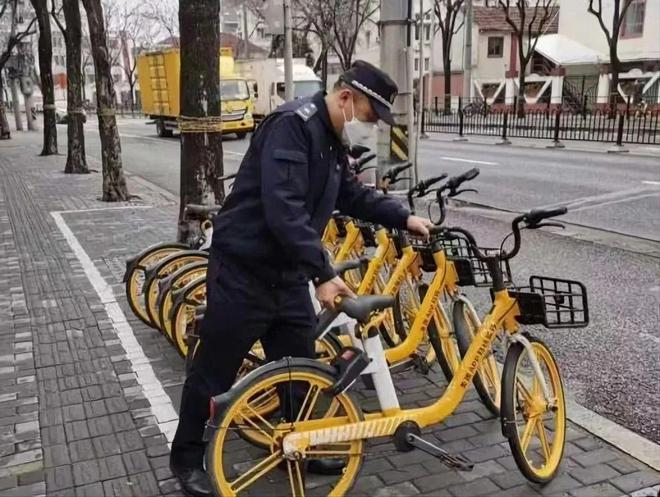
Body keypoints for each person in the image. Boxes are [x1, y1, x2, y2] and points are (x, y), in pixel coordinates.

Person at [169, 60, 433, 497]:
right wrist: (324, 275)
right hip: (244, 274)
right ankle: (187, 461)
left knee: (299, 372)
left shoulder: (331, 143)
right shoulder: (291, 127)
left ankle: (302, 446)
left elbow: (350, 195)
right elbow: (284, 210)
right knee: (212, 371)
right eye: (369, 117)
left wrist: (404, 217)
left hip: (287, 277)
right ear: (347, 97)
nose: (369, 127)